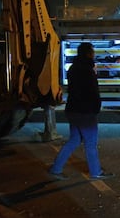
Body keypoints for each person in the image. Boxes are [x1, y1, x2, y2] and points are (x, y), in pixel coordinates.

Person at [48, 42, 113, 180]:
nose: (94, 54)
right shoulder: (88, 70)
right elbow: (93, 92)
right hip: (85, 112)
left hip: (73, 109)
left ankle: (56, 168)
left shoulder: (73, 68)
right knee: (90, 143)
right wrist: (96, 108)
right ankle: (96, 172)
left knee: (74, 140)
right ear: (89, 53)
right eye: (92, 51)